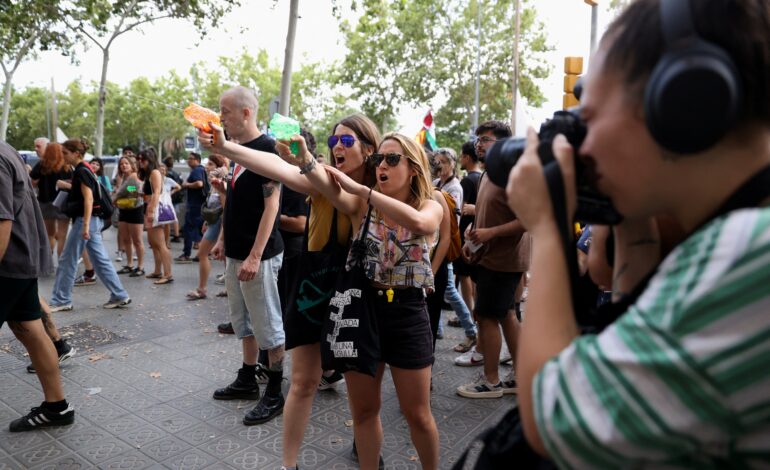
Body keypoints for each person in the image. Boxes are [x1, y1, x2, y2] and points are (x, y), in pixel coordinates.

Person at [509, 0, 770, 466]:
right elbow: (632, 335)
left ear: (678, 99)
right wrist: (631, 222)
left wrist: (547, 227)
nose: (580, 148)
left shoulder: (750, 251)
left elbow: (556, 419)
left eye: (586, 120)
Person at [200, 112, 380, 470]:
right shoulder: (321, 176)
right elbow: (275, 166)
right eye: (334, 140)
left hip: (361, 293)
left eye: (347, 141)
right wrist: (226, 147)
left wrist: (305, 161)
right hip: (316, 284)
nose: (338, 147)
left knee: (365, 397)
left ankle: (369, 449)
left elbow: (342, 197)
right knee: (302, 382)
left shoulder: (377, 187)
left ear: (370, 147)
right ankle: (289, 465)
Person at [314, 133, 443, 470]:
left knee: (418, 414)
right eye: (378, 160)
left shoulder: (432, 204)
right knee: (365, 411)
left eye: (392, 159)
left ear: (413, 168)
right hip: (364, 311)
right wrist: (301, 159)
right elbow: (317, 181)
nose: (382, 166)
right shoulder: (363, 206)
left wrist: (363, 189)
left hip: (408, 314)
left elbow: (419, 223)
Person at [206, 86, 286, 427]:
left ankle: (275, 392)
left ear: (246, 113)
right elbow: (239, 203)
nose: (220, 117)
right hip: (236, 253)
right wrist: (224, 239)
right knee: (244, 323)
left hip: (261, 256)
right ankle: (247, 376)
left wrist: (255, 256)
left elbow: (272, 206)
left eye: (225, 111)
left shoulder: (267, 149)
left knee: (269, 325)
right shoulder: (237, 150)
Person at [0, 139, 75, 432]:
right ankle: (57, 407)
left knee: (32, 329)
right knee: (31, 329)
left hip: (8, 263)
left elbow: (2, 220)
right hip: (20, 259)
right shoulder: (8, 151)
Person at [456, 120, 528, 398]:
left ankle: (491, 381)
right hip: (488, 257)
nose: (478, 144)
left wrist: (489, 233)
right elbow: (490, 216)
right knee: (507, 315)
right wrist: (473, 236)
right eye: (478, 139)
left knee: (486, 317)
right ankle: (519, 377)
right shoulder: (488, 173)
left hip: (504, 261)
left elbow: (526, 220)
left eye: (485, 139)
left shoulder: (512, 175)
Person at [49, 139, 130, 312]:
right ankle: (119, 294)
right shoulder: (85, 169)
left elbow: (89, 198)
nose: (63, 156)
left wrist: (85, 226)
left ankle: (62, 299)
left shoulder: (82, 171)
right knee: (100, 261)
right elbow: (86, 194)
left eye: (65, 153)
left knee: (67, 259)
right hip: (91, 220)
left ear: (76, 153)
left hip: (86, 220)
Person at [431, 147, 477, 348]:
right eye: (436, 161)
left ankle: (471, 329)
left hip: (446, 244)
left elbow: (452, 222)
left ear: (452, 164)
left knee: (449, 289)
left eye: (443, 161)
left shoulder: (454, 188)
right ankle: (438, 329)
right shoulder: (435, 183)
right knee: (440, 289)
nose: (439, 165)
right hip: (435, 243)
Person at [187, 154, 227, 300]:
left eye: (210, 164)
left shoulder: (221, 184)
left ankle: (202, 289)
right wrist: (206, 222)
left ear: (219, 168)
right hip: (213, 224)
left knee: (202, 254)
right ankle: (229, 288)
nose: (206, 166)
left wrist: (222, 237)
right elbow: (213, 207)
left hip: (219, 226)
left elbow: (225, 211)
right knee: (225, 259)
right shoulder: (213, 184)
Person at [29, 142, 72, 259]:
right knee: (62, 235)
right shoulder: (67, 166)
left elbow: (32, 182)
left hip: (45, 202)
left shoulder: (42, 164)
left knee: (49, 234)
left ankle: (48, 260)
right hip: (63, 202)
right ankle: (62, 262)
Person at [138, 148, 173, 284]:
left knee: (160, 244)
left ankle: (167, 273)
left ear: (150, 160)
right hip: (149, 207)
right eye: (139, 159)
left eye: (143, 159)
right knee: (154, 243)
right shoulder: (148, 174)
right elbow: (145, 191)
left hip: (154, 209)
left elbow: (157, 192)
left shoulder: (154, 172)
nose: (140, 162)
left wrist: (151, 211)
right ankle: (158, 270)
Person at [113, 155, 145, 277]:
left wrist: (118, 195)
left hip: (135, 209)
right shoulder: (122, 178)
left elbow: (136, 191)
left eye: (126, 163)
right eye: (121, 164)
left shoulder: (134, 177)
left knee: (137, 240)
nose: (124, 166)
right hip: (124, 209)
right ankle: (130, 264)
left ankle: (140, 266)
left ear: (132, 165)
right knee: (126, 239)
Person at [176, 152, 206, 263]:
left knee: (188, 229)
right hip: (199, 205)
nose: (188, 160)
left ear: (197, 160)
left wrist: (186, 184)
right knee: (200, 230)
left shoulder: (197, 170)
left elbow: (199, 184)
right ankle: (201, 254)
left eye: (191, 158)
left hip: (194, 206)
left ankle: (186, 254)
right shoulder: (201, 170)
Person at [163, 156, 184, 243]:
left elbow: (178, 186)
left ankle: (171, 238)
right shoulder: (175, 173)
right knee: (172, 218)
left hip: (168, 200)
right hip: (174, 199)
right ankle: (175, 235)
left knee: (169, 220)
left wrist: (170, 193)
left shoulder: (168, 177)